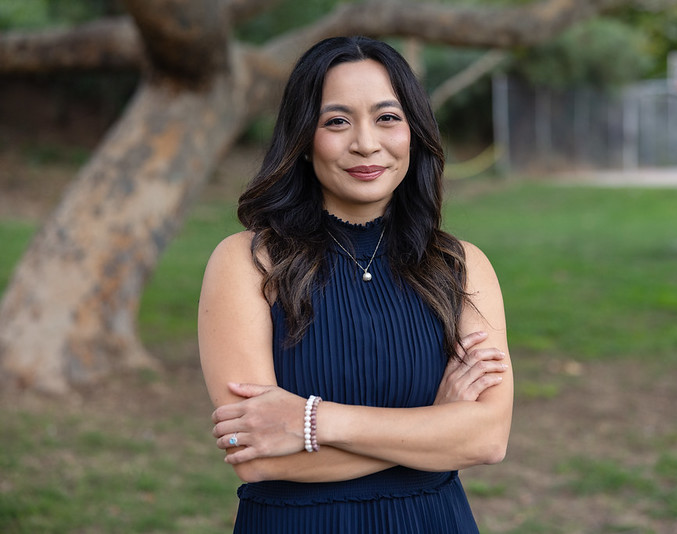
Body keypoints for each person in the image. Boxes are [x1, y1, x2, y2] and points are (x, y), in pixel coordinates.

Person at [198, 36, 513, 533]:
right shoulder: (248, 262)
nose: (366, 143)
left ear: (414, 133)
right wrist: (434, 426)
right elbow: (256, 458)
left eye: (387, 118)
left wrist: (310, 422)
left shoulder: (460, 267)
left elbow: (487, 439)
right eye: (337, 121)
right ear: (303, 140)